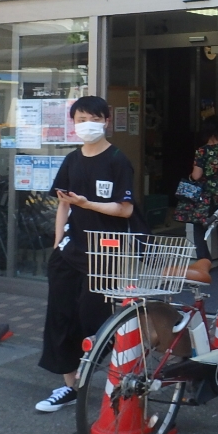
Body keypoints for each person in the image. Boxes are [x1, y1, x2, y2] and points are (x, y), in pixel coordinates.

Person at [35, 96, 134, 413]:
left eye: (92, 118)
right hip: (69, 251)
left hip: (105, 254)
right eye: (79, 119)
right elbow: (63, 203)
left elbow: (125, 209)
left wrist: (87, 204)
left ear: (106, 120)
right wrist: (57, 241)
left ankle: (114, 370)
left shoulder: (118, 160)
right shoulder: (71, 160)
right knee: (60, 317)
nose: (85, 125)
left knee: (94, 319)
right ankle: (70, 385)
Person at [173, 115, 218, 278]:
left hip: (205, 196)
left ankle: (204, 260)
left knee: (198, 227)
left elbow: (197, 176)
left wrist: (190, 178)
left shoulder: (202, 151)